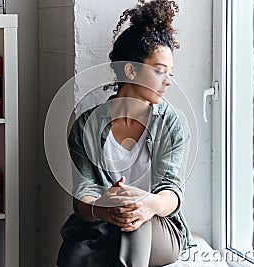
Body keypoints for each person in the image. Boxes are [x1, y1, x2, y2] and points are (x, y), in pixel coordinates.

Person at [57, 0, 195, 266]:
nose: (168, 81)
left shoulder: (173, 124)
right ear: (130, 70)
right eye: (159, 71)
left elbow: (171, 192)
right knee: (73, 257)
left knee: (135, 222)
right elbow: (84, 194)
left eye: (170, 73)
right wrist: (103, 208)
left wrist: (144, 204)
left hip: (159, 227)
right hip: (102, 225)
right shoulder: (86, 126)